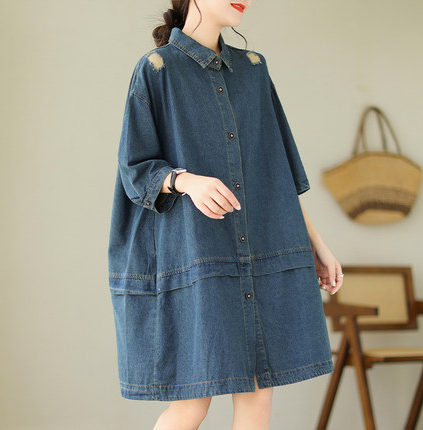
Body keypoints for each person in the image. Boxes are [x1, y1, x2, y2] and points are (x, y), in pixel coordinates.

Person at [107, 0, 344, 429]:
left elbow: (278, 173)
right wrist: (186, 181)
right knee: (192, 403)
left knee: (258, 395)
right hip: (199, 256)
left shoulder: (254, 70)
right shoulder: (158, 70)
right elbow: (134, 169)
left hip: (260, 252)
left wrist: (318, 245)